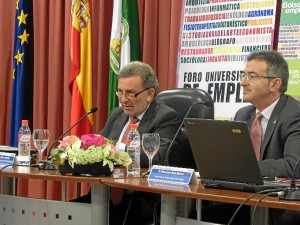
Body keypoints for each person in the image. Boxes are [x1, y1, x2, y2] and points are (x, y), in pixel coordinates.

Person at [74, 61, 181, 225]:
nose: (123, 99)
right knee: (63, 213)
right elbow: (100, 145)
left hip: (140, 198)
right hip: (105, 193)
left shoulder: (166, 117)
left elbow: (158, 157)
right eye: (120, 92)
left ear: (150, 94)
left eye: (130, 93)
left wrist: (116, 149)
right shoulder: (117, 114)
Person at [201, 51, 300, 225]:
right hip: (243, 197)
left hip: (280, 204)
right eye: (244, 75)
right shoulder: (243, 114)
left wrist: (246, 168)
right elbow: (232, 159)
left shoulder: (294, 114)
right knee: (199, 214)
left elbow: (293, 166)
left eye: (252, 76)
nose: (242, 82)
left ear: (275, 83)